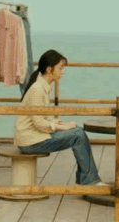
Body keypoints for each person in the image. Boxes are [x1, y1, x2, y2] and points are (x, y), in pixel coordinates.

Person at [14, 49, 105, 186]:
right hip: (31, 141)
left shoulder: (42, 87)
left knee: (77, 131)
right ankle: (89, 180)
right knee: (78, 135)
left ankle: (88, 179)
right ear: (49, 69)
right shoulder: (38, 89)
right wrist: (62, 127)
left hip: (33, 137)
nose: (63, 71)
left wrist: (62, 125)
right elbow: (39, 123)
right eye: (60, 68)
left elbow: (42, 119)